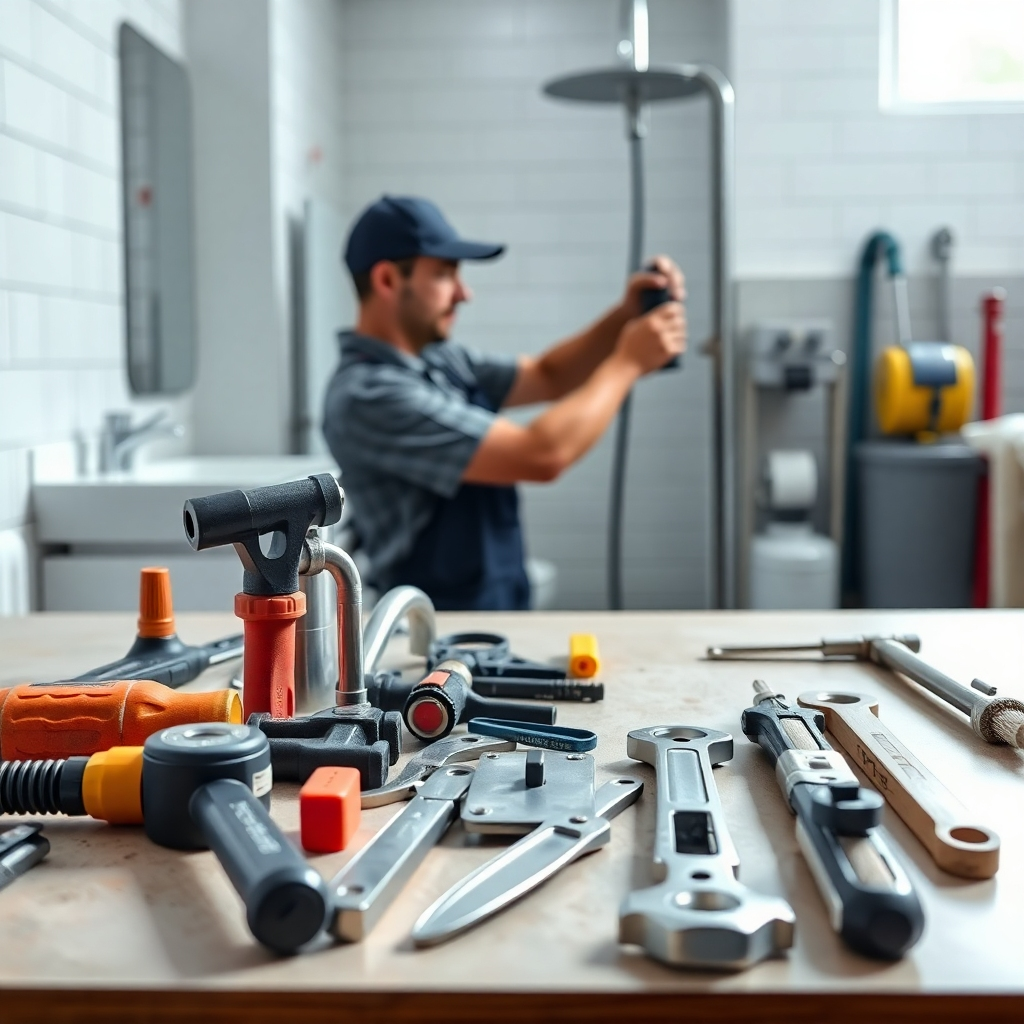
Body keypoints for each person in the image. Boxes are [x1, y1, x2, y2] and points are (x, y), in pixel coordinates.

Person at [323, 195, 685, 611]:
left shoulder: (441, 359)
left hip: (497, 600)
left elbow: (549, 375)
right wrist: (627, 363)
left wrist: (625, 316)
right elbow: (541, 454)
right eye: (444, 275)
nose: (464, 293)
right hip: (436, 626)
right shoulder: (368, 396)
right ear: (387, 280)